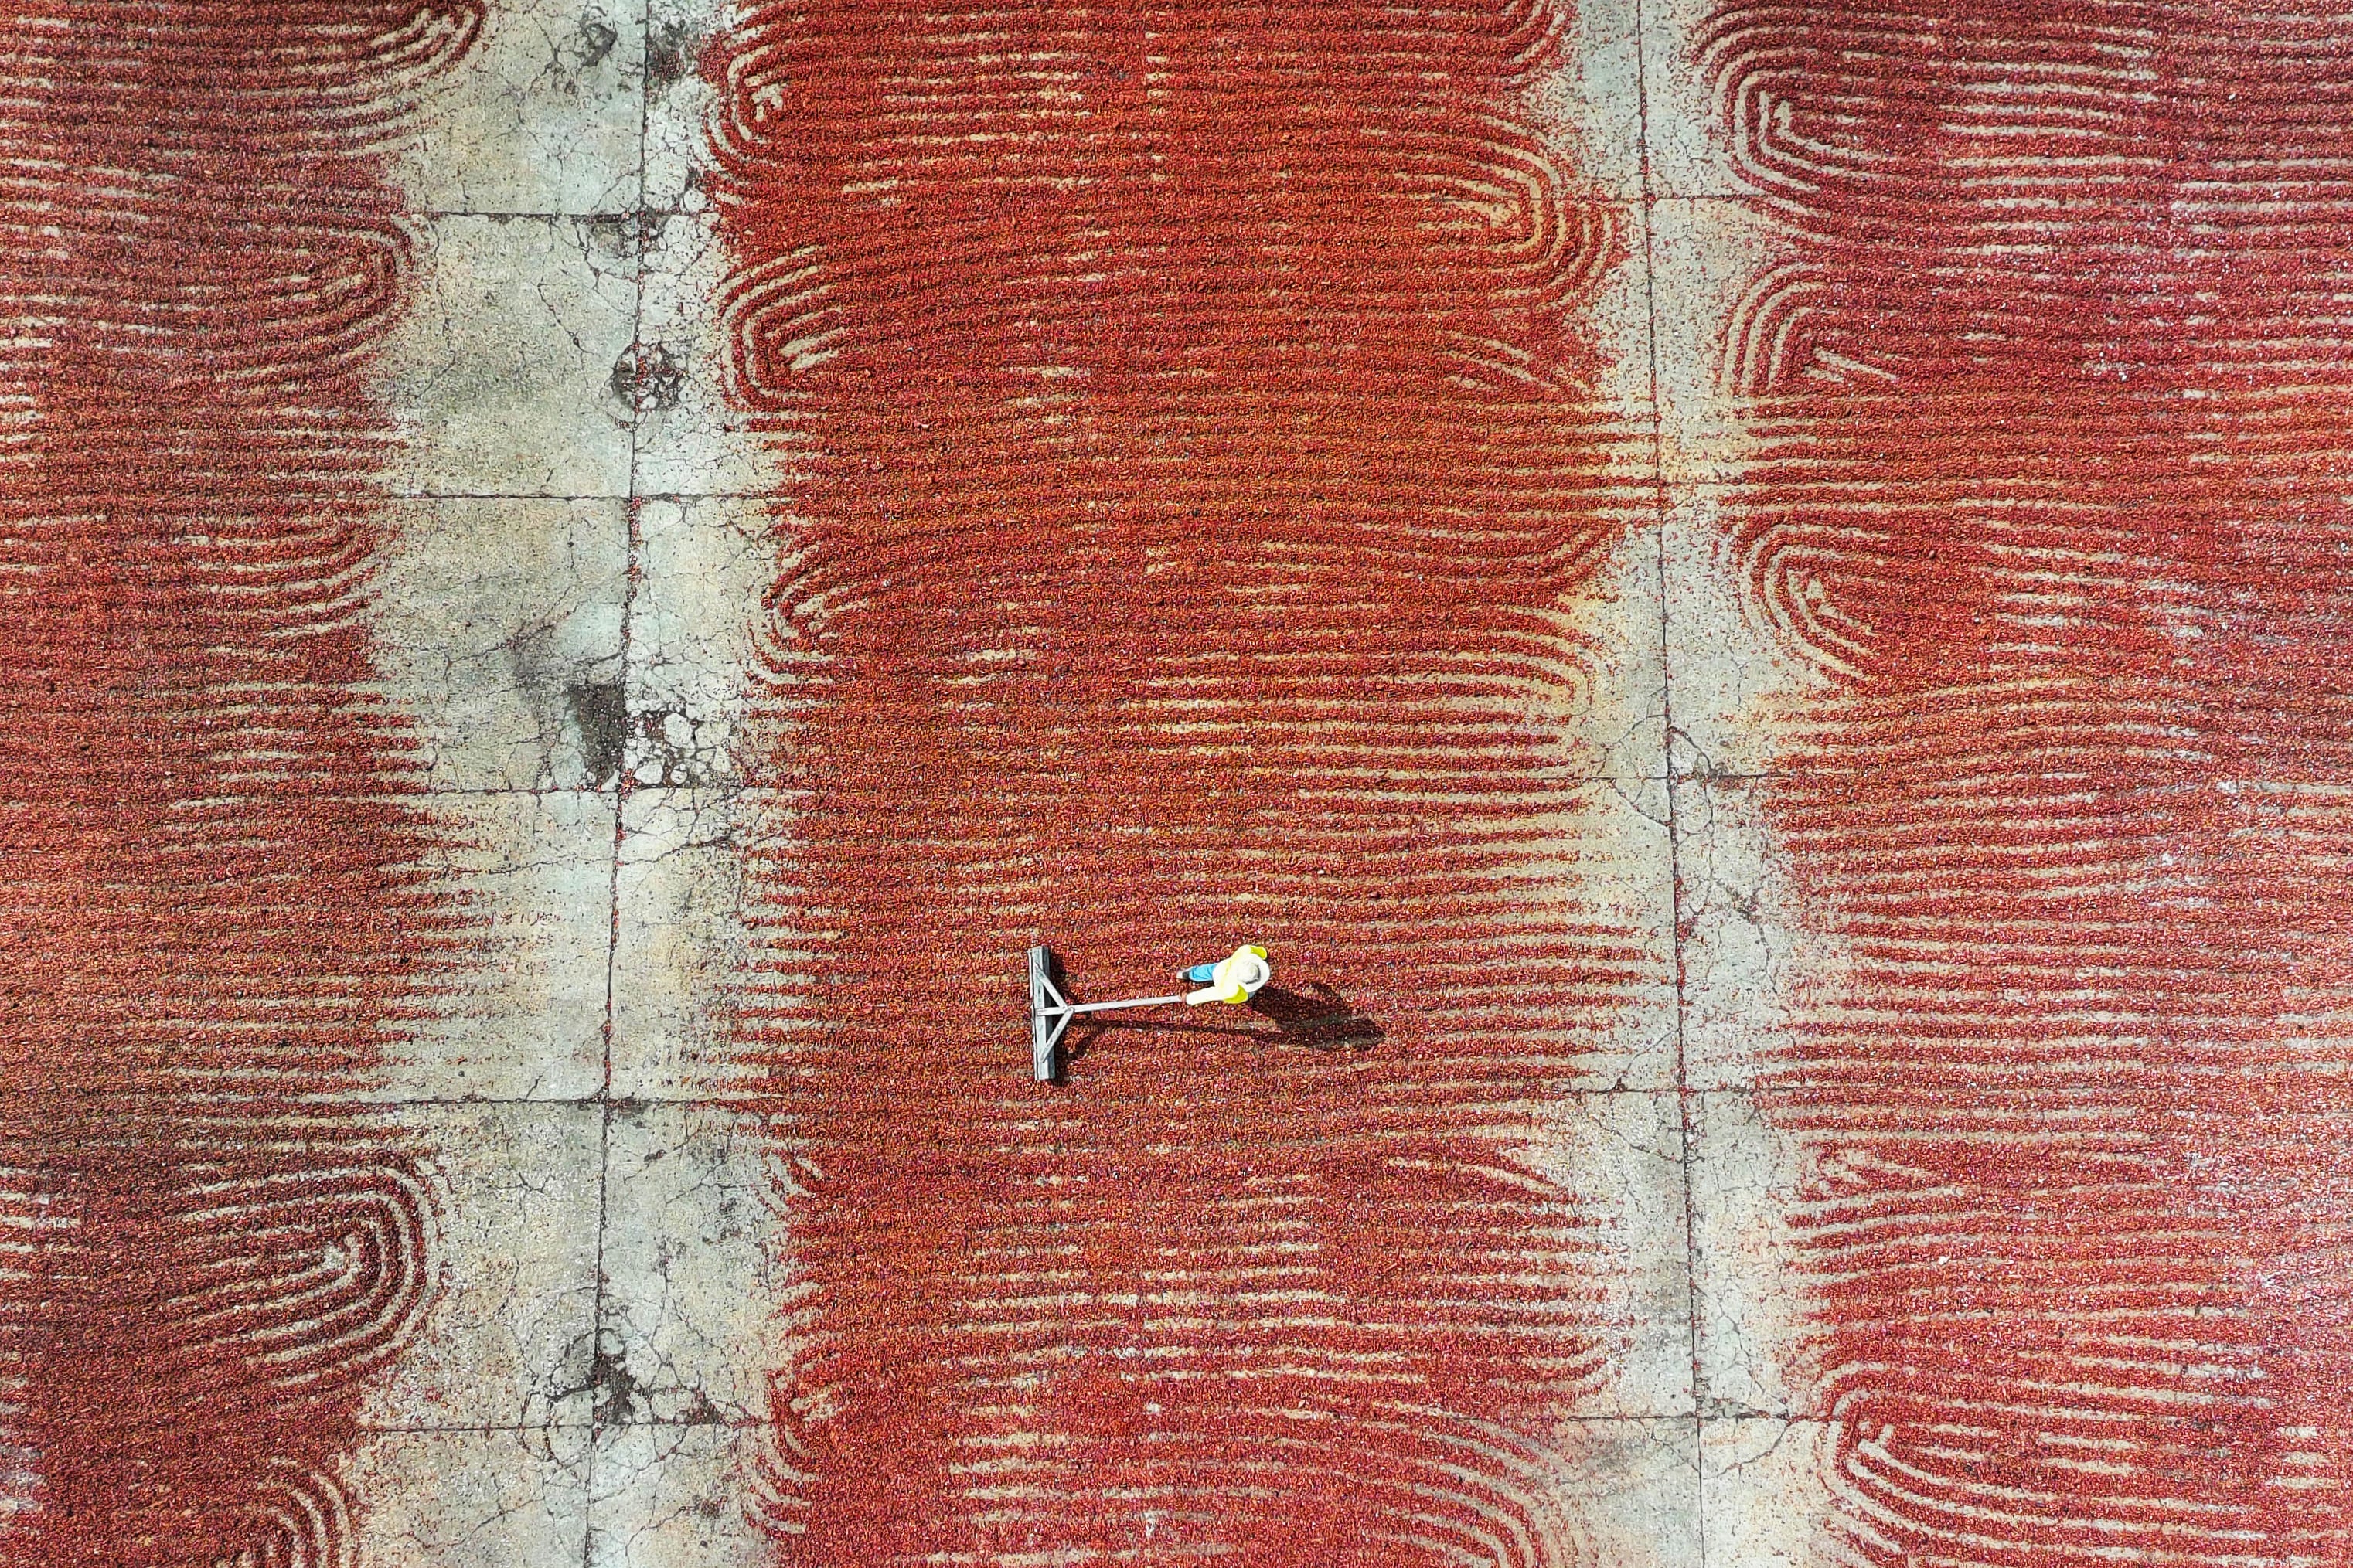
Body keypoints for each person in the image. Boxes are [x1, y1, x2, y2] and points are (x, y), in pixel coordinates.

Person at [1181, 944, 1271, 1006]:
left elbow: (1263, 952)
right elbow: (1210, 994)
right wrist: (1189, 999)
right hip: (1222, 983)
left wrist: (1189, 998)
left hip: (1220, 969)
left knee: (1206, 971)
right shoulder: (1232, 992)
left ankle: (1189, 974)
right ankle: (1190, 974)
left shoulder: (1247, 951)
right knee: (1248, 995)